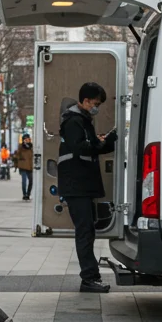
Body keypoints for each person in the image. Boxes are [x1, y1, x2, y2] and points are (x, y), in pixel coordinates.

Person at [57, 84, 117, 293]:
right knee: (84, 232)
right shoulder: (73, 121)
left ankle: (91, 277)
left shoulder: (83, 120)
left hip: (82, 186)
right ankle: (89, 278)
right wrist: (100, 143)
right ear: (86, 100)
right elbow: (81, 147)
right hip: (76, 186)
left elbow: (91, 147)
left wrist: (108, 141)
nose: (97, 108)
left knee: (88, 231)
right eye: (96, 104)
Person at [14, 133, 35, 201]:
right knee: (24, 181)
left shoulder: (32, 147)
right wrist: (17, 164)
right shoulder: (21, 147)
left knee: (31, 181)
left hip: (30, 166)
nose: (26, 140)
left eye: (28, 139)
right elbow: (17, 156)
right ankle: (24, 194)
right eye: (25, 139)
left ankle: (28, 194)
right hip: (23, 166)